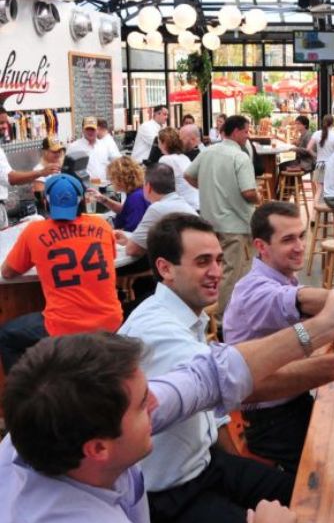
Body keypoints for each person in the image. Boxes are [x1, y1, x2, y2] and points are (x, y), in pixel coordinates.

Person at [0, 274, 334, 523]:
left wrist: (324, 326)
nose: (158, 405)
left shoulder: (62, 427)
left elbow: (207, 377)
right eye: (143, 404)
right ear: (98, 448)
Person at [118, 213, 307, 523]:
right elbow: (228, 382)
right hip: (169, 495)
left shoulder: (186, 314)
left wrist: (236, 465)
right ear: (165, 268)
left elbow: (214, 412)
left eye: (219, 260)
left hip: (206, 464)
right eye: (203, 261)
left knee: (301, 494)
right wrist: (330, 359)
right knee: (297, 514)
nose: (217, 272)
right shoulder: (159, 330)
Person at [224, 202, 334, 470]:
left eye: (301, 235)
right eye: (287, 240)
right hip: (269, 421)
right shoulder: (253, 291)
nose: (299, 246)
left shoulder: (282, 277)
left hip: (290, 401)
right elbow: (295, 300)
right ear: (261, 246)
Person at [0, 174, 122, 371]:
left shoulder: (34, 231)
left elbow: (7, 272)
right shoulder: (102, 226)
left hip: (65, 326)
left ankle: (25, 397)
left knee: (6, 336)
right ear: (82, 200)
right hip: (110, 321)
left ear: (47, 202)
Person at [184, 115, 261, 315]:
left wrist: (207, 188)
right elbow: (248, 192)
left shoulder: (208, 151)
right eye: (246, 131)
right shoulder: (240, 156)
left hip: (210, 222)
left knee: (214, 271)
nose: (247, 136)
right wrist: (259, 198)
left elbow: (189, 175)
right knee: (232, 274)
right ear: (235, 132)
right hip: (236, 225)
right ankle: (224, 318)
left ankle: (215, 314)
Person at [115, 164, 197, 257]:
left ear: (148, 187)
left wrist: (130, 243)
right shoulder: (181, 203)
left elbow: (132, 250)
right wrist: (129, 241)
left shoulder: (157, 208)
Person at [66, 116, 122, 183]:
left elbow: (117, 162)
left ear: (97, 129)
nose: (90, 132)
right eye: (88, 129)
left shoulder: (104, 145)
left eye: (93, 129)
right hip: (85, 186)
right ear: (83, 130)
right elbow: (67, 169)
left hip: (103, 185)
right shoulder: (74, 147)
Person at [104, 156, 149, 232]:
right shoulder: (136, 192)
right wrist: (104, 200)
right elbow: (125, 210)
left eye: (112, 179)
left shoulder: (136, 198)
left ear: (120, 179)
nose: (111, 182)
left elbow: (131, 229)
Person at [158, 127, 198, 210]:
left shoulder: (166, 160)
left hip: (185, 207)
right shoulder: (184, 158)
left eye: (158, 142)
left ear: (164, 143)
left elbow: (160, 186)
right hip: (196, 204)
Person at [306, 114, 334, 201]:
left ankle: (315, 212)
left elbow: (308, 148)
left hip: (319, 165)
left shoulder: (316, 134)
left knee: (319, 190)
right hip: (331, 166)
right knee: (330, 190)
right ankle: (329, 213)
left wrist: (316, 156)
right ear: (333, 123)